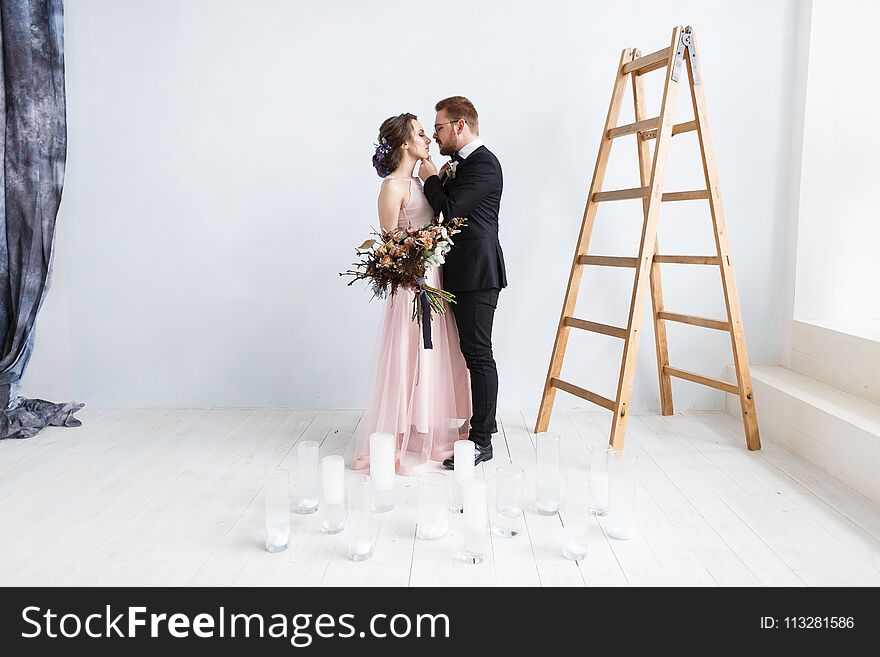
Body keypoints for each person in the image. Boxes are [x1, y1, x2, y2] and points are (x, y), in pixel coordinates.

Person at [351, 113, 472, 476]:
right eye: (421, 133)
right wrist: (413, 260)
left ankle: (427, 429)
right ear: (404, 143)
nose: (428, 138)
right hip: (411, 286)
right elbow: (388, 247)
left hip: (434, 279)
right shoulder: (393, 187)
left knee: (432, 355)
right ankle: (398, 435)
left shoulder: (420, 181)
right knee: (408, 353)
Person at [418, 96, 507, 468]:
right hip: (460, 274)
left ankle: (482, 441)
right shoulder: (464, 164)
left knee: (478, 355)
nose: (435, 135)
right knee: (469, 354)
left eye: (438, 127)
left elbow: (449, 208)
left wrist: (431, 178)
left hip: (478, 275)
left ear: (459, 126)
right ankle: (482, 424)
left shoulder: (485, 164)